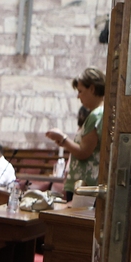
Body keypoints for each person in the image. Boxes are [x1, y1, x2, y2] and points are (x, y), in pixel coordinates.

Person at [46, 67, 105, 201]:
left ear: (92, 89)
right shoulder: (101, 112)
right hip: (86, 185)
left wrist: (63, 139)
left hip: (84, 185)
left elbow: (83, 152)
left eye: (80, 91)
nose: (78, 96)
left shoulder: (96, 115)